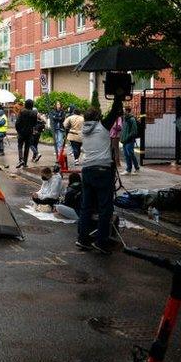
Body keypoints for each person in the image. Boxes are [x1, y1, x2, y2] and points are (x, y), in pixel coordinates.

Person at [76, 93, 125, 253]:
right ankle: (101, 241)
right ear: (97, 117)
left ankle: (83, 239)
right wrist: (119, 95)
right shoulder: (102, 126)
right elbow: (114, 112)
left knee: (86, 206)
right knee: (105, 208)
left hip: (87, 170)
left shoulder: (84, 130)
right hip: (102, 170)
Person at [15, 99, 38, 168]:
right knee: (27, 148)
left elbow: (17, 122)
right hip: (29, 132)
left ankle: (21, 160)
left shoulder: (22, 111)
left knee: (20, 146)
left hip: (21, 132)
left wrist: (18, 130)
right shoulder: (34, 113)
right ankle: (25, 163)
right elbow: (35, 123)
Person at [120, 107, 140, 175]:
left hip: (129, 140)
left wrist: (127, 137)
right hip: (125, 140)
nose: (123, 112)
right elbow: (123, 130)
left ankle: (137, 168)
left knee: (130, 154)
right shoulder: (125, 119)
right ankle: (128, 169)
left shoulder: (132, 119)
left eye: (124, 110)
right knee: (126, 155)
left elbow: (134, 131)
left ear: (127, 111)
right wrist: (122, 138)